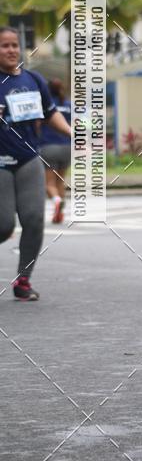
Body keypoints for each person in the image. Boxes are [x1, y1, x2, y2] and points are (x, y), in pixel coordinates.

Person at [0, 28, 72, 300]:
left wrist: (71, 133)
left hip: (29, 157)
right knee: (4, 225)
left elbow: (50, 113)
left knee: (33, 220)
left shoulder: (33, 79)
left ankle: (23, 281)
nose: (11, 50)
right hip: (1, 161)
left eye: (14, 45)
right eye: (4, 46)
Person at [39, 78, 72, 224]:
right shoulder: (68, 105)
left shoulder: (45, 105)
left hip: (48, 147)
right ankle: (60, 213)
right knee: (60, 181)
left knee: (49, 184)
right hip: (67, 147)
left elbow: (37, 124)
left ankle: (56, 201)